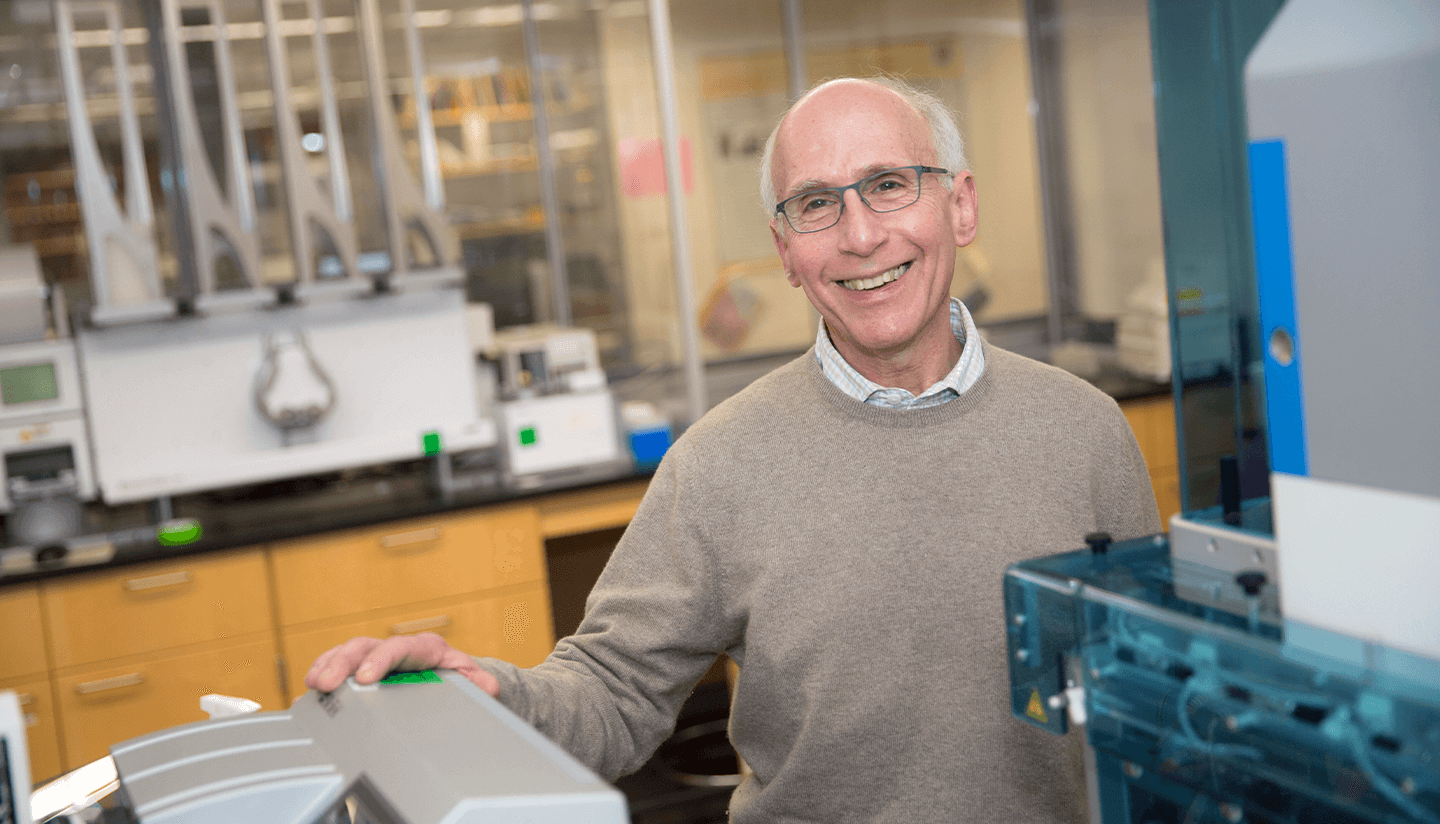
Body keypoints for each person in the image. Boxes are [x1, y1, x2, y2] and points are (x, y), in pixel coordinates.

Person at [307, 76, 1159, 823]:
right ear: (787, 250)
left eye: (890, 185)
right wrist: (488, 695)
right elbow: (612, 693)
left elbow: (1150, 691)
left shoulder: (1084, 429)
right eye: (816, 204)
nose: (859, 235)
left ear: (960, 205)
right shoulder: (719, 462)